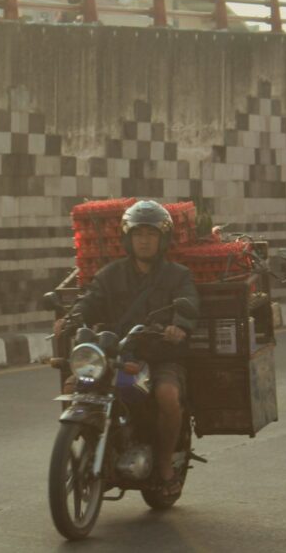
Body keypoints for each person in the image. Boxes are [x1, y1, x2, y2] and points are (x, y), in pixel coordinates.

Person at [63, 200, 200, 497]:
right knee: (79, 383)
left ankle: (164, 466)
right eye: (139, 234)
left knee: (167, 394)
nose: (145, 240)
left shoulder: (178, 275)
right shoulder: (110, 274)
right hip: (117, 354)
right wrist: (73, 318)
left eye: (151, 234)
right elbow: (91, 300)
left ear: (162, 239)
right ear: (128, 237)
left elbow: (189, 305)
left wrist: (179, 327)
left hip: (162, 355)